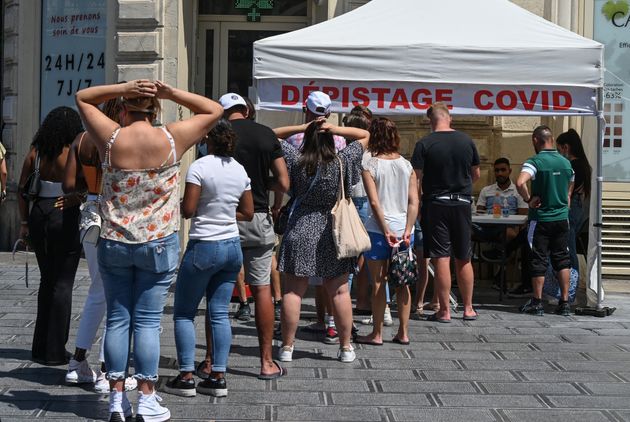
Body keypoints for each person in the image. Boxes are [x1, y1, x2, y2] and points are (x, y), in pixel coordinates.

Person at [76, 80, 222, 422]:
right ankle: (146, 398)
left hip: (114, 240)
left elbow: (83, 97)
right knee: (146, 321)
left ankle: (116, 398)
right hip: (157, 243)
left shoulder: (110, 138)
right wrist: (171, 93)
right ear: (155, 108)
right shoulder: (172, 138)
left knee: (117, 319)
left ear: (124, 107)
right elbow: (214, 110)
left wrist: (122, 86)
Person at [164, 119, 254, 398]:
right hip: (231, 246)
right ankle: (218, 376)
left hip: (204, 244)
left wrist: (182, 205)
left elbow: (189, 210)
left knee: (184, 313)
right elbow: (248, 212)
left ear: (208, 139)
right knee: (219, 314)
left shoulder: (200, 167)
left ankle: (187, 376)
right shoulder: (239, 170)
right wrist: (224, 214)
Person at [273, 118, 370, 363]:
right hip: (332, 229)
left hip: (301, 227)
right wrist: (334, 128)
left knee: (293, 292)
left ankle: (287, 347)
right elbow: (364, 135)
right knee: (339, 291)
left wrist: (301, 128)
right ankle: (346, 347)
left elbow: (272, 135)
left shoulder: (296, 160)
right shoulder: (342, 161)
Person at [62, 98, 137, 393]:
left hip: (89, 215)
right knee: (116, 296)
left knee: (98, 291)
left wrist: (88, 192)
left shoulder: (81, 140)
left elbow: (68, 185)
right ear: (120, 112)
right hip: (115, 215)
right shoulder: (118, 139)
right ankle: (108, 370)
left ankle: (78, 362)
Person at [220, 92, 289, 379]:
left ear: (224, 114)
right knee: (262, 289)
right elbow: (284, 182)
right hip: (259, 216)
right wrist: (264, 187)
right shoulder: (265, 134)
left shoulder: (218, 134)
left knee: (220, 290)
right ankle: (265, 362)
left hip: (224, 218)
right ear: (247, 110)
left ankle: (214, 362)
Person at [17, 106, 84, 366]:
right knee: (63, 282)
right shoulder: (72, 152)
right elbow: (82, 186)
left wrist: (23, 223)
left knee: (47, 279)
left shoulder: (35, 152)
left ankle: (40, 346)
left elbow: (22, 190)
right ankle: (56, 351)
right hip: (64, 213)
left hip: (38, 215)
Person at [411, 102, 480, 323]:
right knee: (464, 257)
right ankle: (468, 308)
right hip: (461, 202)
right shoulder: (467, 140)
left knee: (441, 257)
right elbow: (476, 174)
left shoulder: (424, 143)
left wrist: (417, 205)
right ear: (449, 118)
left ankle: (444, 311)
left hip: (436, 203)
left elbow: (416, 179)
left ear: (430, 121)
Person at [355, 117, 418, 346]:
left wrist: (385, 229)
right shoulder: (406, 165)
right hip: (404, 230)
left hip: (378, 229)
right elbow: (414, 201)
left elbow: (374, 202)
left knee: (379, 282)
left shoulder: (370, 165)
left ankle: (377, 333)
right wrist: (408, 229)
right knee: (403, 280)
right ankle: (403, 332)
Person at [516, 125, 574, 316]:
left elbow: (520, 182)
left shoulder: (535, 161)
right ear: (552, 138)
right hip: (561, 218)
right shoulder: (566, 163)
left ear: (535, 140)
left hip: (540, 219)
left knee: (538, 259)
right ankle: (564, 303)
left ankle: (537, 302)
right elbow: (569, 189)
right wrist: (565, 201)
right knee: (562, 259)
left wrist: (528, 200)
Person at [474, 158, 529, 293]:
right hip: (488, 228)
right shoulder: (487, 190)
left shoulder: (518, 191)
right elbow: (478, 213)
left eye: (503, 170)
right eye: (497, 170)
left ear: (509, 171)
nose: (500, 173)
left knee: (511, 234)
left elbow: (524, 215)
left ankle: (500, 264)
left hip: (509, 228)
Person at [556, 129, 591, 272]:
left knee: (568, 247)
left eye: (559, 150)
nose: (558, 154)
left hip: (571, 207)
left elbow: (567, 190)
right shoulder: (582, 164)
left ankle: (572, 283)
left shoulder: (573, 165)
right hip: (578, 208)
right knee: (568, 245)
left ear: (566, 147)